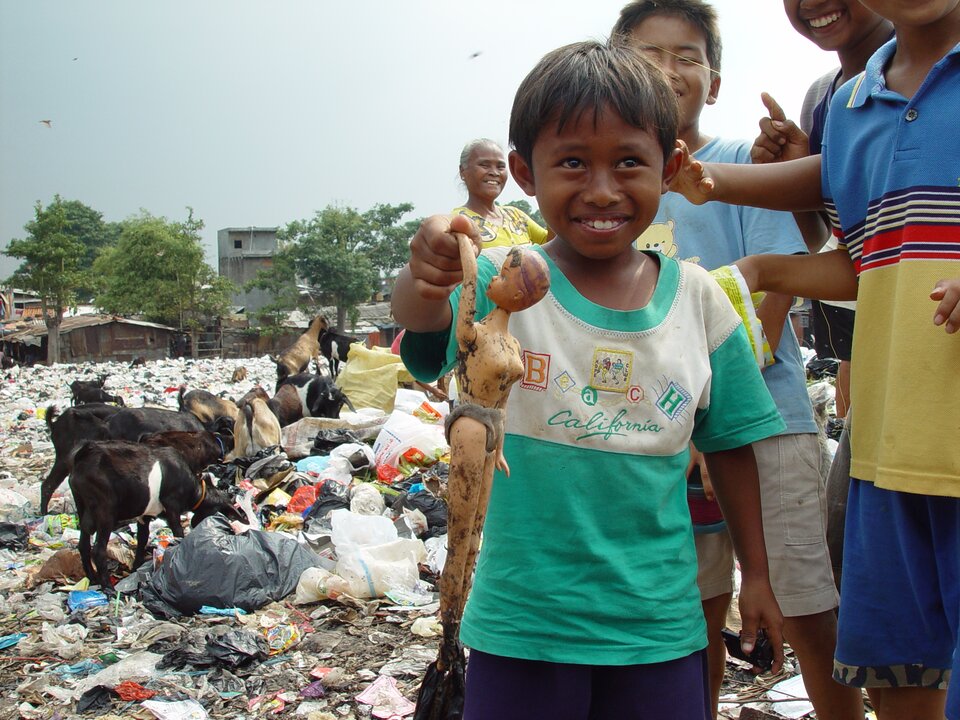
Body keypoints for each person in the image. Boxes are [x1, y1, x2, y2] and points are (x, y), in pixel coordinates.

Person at [393, 40, 786, 720]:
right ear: (524, 171)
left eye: (629, 162)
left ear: (672, 167)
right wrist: (424, 270)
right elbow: (426, 333)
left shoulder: (700, 302)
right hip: (522, 628)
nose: (601, 190)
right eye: (572, 162)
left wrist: (758, 575)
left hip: (657, 631)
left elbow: (732, 448)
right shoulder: (501, 284)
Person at [670, 2, 960, 717]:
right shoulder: (856, 103)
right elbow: (866, 262)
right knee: (901, 674)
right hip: (887, 450)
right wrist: (764, 260)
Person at [610, 3, 862, 718]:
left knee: (802, 609)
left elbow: (775, 288)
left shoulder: (737, 167)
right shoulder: (613, 183)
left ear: (713, 82)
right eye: (648, 54)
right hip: (648, 434)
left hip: (763, 422)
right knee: (690, 619)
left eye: (686, 56)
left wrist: (707, 416)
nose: (668, 69)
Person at [751, 1, 894, 421]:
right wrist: (796, 177)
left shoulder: (933, 71)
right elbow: (842, 248)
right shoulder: (823, 98)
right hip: (872, 344)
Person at [453, 138, 549, 248]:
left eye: (500, 167)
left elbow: (552, 243)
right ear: (462, 171)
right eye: (484, 165)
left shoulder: (516, 216)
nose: (494, 172)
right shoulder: (458, 221)